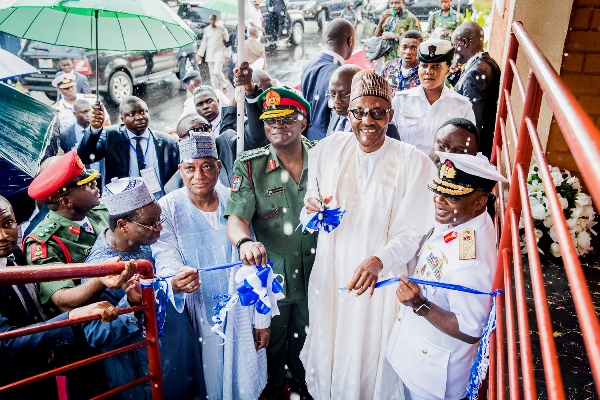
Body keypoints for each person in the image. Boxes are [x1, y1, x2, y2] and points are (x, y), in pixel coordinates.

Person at [299, 70, 437, 400]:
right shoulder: (328, 149)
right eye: (360, 112)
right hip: (334, 270)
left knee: (373, 353)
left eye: (377, 113)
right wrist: (314, 212)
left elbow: (412, 233)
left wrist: (380, 260)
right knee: (333, 343)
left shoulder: (412, 162)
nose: (367, 121)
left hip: (382, 280)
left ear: (390, 115)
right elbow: (309, 210)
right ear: (349, 113)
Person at [154, 134, 269, 399]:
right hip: (198, 312)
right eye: (190, 168)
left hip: (241, 311)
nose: (199, 175)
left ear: (219, 166)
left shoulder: (235, 201)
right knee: (207, 379)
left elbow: (257, 264)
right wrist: (175, 278)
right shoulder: (168, 207)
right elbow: (165, 254)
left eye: (207, 166)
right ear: (180, 170)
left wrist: (261, 320)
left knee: (243, 379)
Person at [386, 151, 507, 400]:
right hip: (419, 357)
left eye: (452, 195)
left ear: (479, 201)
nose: (439, 200)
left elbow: (471, 329)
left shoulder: (470, 262)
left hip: (432, 380)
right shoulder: (461, 218)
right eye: (439, 190)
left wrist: (420, 305)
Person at [225, 87, 318, 398]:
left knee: (313, 343)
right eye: (270, 121)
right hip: (274, 279)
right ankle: (277, 390)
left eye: (286, 120)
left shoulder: (324, 157)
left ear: (302, 122)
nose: (277, 127)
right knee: (270, 347)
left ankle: (307, 390)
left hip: (319, 273)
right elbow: (237, 218)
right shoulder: (251, 166)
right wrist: (243, 244)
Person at [23, 151, 132, 399]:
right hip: (86, 338)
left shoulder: (99, 210)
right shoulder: (43, 242)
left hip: (122, 319)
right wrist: (101, 278)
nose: (95, 183)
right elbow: (61, 299)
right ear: (67, 202)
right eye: (85, 184)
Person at [84, 177, 206, 400]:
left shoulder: (147, 242)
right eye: (151, 223)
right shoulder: (101, 268)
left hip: (180, 358)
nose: (159, 227)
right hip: (146, 375)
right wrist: (130, 304)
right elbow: (95, 334)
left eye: (159, 219)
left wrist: (173, 284)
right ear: (123, 225)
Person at [0, 195, 120, 400]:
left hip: (42, 372)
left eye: (7, 223)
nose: (3, 235)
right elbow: (6, 342)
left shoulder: (17, 256)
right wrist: (71, 318)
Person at [78, 96, 179, 198]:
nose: (139, 117)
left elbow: (177, 179)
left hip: (160, 203)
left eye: (143, 112)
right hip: (124, 206)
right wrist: (95, 130)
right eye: (131, 114)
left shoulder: (168, 142)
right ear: (122, 119)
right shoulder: (111, 137)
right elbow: (85, 157)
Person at [391, 39, 475, 156]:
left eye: (436, 66)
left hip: (442, 171)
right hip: (406, 171)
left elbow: (467, 150)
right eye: (424, 66)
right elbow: (388, 141)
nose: (429, 72)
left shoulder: (462, 106)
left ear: (447, 69)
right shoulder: (401, 101)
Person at [452, 22, 501, 158]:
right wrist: (455, 75)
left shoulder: (475, 72)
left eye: (455, 45)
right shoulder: (488, 63)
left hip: (476, 150)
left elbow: (474, 119)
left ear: (464, 42)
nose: (454, 51)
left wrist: (465, 152)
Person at [301, 18, 355, 140]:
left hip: (306, 137)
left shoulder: (308, 66)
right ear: (350, 41)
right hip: (328, 138)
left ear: (326, 40)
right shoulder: (340, 75)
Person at [164, 113, 236, 191]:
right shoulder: (173, 187)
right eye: (194, 131)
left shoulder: (228, 143)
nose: (203, 134)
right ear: (181, 141)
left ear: (218, 166)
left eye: (206, 128)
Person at [60, 99, 102, 174]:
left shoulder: (100, 131)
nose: (88, 114)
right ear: (74, 114)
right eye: (84, 112)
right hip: (78, 178)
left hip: (99, 175)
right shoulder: (65, 135)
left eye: (90, 111)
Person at [327, 64, 362, 135]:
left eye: (343, 95)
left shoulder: (372, 124)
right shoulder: (335, 114)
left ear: (360, 92)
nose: (336, 101)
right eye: (332, 94)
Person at [198, 15, 230, 92]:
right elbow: (204, 43)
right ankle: (215, 90)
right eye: (211, 20)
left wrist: (227, 55)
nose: (212, 21)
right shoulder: (207, 30)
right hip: (210, 53)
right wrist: (200, 54)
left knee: (217, 71)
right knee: (212, 74)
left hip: (219, 52)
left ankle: (225, 83)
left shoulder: (222, 29)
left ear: (216, 20)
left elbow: (227, 43)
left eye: (214, 20)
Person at [176, 20, 201, 91]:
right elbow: (200, 32)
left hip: (182, 50)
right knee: (195, 66)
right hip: (191, 49)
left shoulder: (179, 30)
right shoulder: (191, 28)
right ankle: (199, 82)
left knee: (182, 68)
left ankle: (183, 85)